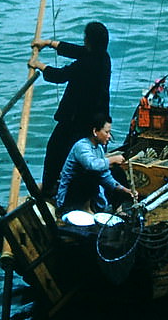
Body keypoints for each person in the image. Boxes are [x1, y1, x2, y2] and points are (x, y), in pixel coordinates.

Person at [29, 21, 112, 199]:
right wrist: (49, 43)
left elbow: (60, 76)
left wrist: (38, 65)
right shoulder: (103, 57)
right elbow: (77, 51)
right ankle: (66, 187)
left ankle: (49, 188)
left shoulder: (87, 64)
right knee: (84, 153)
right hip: (97, 117)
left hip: (77, 118)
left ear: (89, 41)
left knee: (55, 150)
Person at [56, 113, 137, 215]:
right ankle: (85, 209)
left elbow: (105, 176)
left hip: (88, 192)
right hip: (71, 195)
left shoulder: (99, 148)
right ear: (95, 131)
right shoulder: (81, 146)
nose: (109, 136)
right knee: (90, 173)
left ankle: (118, 208)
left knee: (117, 171)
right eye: (106, 132)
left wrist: (125, 190)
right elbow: (92, 165)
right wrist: (112, 159)